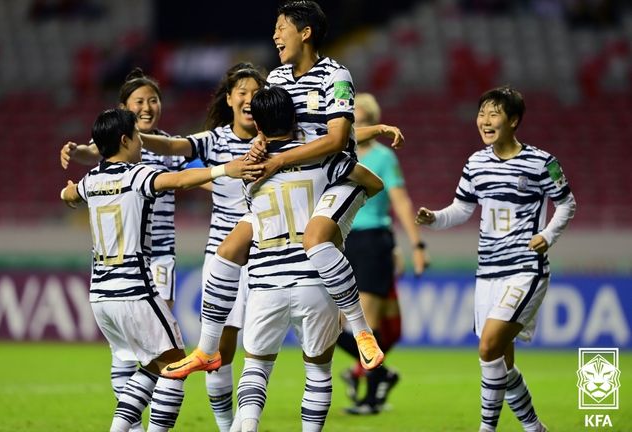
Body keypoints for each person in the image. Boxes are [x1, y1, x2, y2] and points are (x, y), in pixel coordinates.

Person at [162, 0, 404, 380]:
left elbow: (339, 138)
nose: (275, 35)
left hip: (334, 177)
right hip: (290, 182)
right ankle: (207, 351)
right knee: (227, 252)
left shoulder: (335, 76)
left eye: (282, 27)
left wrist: (276, 162)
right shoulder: (276, 78)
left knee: (317, 240)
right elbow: (269, 127)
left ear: (305, 32)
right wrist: (260, 145)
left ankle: (361, 331)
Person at [59, 108, 262, 432]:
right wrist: (226, 169)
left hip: (99, 294)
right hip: (134, 289)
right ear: (125, 140)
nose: (141, 142)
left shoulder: (91, 179)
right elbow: (179, 180)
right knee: (176, 363)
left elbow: (71, 194)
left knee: (153, 364)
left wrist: (65, 193)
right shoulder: (136, 174)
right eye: (137, 137)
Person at [416, 86, 576, 432]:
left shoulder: (541, 162)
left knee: (488, 347)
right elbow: (461, 209)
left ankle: (486, 428)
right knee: (500, 358)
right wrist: (435, 218)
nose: (485, 121)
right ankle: (534, 428)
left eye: (494, 114)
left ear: (514, 120)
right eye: (481, 114)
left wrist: (547, 235)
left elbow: (566, 203)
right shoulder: (476, 162)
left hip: (525, 270)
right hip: (487, 272)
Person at [235, 86, 383, 432]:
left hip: (264, 281)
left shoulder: (250, 167)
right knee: (317, 370)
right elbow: (373, 184)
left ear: (258, 125)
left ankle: (246, 427)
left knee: (255, 368)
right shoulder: (323, 158)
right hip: (316, 279)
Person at [136, 62, 267, 432]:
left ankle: (247, 422)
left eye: (256, 94)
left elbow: (321, 138)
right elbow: (176, 145)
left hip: (267, 258)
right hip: (224, 260)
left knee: (257, 348)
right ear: (229, 99)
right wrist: (136, 133)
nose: (248, 99)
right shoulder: (214, 140)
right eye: (241, 92)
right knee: (220, 355)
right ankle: (229, 427)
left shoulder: (277, 139)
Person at [59, 68, 188, 432]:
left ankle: (128, 420)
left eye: (153, 100)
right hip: (132, 262)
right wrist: (78, 151)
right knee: (154, 353)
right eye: (139, 102)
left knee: (155, 347)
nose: (147, 107)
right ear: (125, 109)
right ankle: (132, 423)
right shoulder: (121, 149)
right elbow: (93, 154)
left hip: (159, 254)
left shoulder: (168, 144)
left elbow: (193, 171)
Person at [336, 93, 428, 415]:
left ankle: (372, 397)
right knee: (332, 326)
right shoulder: (336, 154)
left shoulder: (383, 158)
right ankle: (382, 376)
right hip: (342, 242)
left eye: (363, 120)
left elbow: (401, 202)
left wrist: (416, 245)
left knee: (366, 325)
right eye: (353, 120)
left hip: (373, 241)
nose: (357, 126)